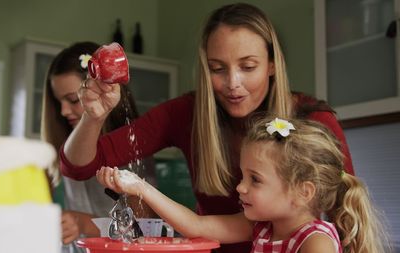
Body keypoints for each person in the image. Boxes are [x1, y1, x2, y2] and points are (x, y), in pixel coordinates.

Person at [60, 3, 354, 252]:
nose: (233, 83)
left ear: (273, 64)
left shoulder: (314, 124)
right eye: (217, 68)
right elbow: (79, 166)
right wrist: (93, 117)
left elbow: (348, 221)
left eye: (248, 67)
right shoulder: (188, 114)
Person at [97, 116, 392, 253]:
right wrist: (140, 187)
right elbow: (196, 227)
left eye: (255, 179)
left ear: (303, 192)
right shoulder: (260, 227)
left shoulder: (316, 242)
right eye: (243, 176)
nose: (239, 188)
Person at [40, 41, 156, 252]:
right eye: (59, 103)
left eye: (73, 100)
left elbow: (142, 228)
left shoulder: (131, 149)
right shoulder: (68, 149)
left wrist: (83, 223)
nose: (64, 111)